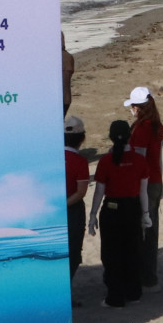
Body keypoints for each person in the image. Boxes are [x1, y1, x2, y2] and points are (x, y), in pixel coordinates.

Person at [87, 118, 151, 308]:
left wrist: (92, 215)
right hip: (133, 209)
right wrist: (146, 214)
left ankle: (115, 296)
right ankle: (133, 292)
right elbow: (143, 191)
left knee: (111, 254)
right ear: (130, 137)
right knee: (132, 250)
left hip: (112, 210)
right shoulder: (139, 160)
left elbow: (99, 191)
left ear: (111, 137)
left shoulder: (106, 161)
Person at [124, 86, 163, 289]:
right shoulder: (156, 125)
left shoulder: (142, 128)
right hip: (154, 181)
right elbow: (157, 158)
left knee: (143, 231)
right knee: (150, 229)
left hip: (144, 184)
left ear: (137, 108)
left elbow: (139, 161)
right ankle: (148, 275)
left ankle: (145, 276)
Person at [63, 113, 91, 303]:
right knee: (73, 252)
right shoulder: (80, 162)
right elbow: (81, 192)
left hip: (51, 210)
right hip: (71, 210)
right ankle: (66, 291)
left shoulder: (51, 157)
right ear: (81, 138)